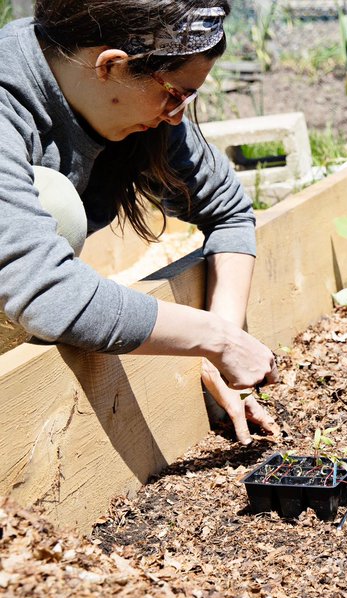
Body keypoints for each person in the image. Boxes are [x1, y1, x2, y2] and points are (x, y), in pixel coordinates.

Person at [0, 0, 279, 443]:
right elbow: (48, 292)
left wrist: (220, 352)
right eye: (175, 94)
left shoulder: (140, 104)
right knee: (55, 204)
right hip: (24, 300)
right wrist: (216, 339)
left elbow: (228, 210)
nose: (177, 114)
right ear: (111, 66)